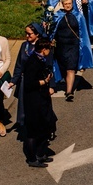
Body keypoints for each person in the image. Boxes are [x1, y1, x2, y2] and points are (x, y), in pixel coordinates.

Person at [51, 0, 93, 102]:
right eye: (66, 4)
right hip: (61, 47)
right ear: (62, 4)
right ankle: (67, 84)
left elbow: (83, 32)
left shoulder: (78, 16)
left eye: (70, 3)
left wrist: (84, 48)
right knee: (64, 68)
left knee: (71, 68)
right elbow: (52, 31)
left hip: (73, 46)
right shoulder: (57, 15)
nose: (68, 6)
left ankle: (69, 91)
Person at [21, 38, 57, 168]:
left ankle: (41, 154)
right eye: (49, 49)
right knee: (33, 130)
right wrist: (44, 81)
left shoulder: (41, 60)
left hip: (42, 100)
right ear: (44, 50)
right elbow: (30, 83)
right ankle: (32, 158)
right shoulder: (32, 62)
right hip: (33, 102)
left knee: (46, 126)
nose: (50, 52)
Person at [8, 23, 47, 131]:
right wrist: (13, 81)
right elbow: (19, 65)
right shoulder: (24, 46)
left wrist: (50, 84)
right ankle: (27, 128)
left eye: (29, 34)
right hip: (25, 82)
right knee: (25, 106)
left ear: (37, 34)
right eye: (26, 33)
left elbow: (49, 66)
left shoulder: (43, 46)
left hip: (38, 83)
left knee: (39, 107)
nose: (27, 36)